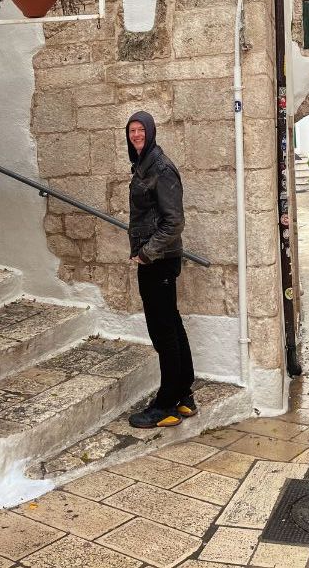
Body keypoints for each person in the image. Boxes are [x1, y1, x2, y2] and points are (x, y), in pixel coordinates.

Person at [125, 110, 196, 428]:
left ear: (151, 133)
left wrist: (146, 254)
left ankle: (166, 404)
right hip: (158, 259)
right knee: (172, 324)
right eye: (132, 130)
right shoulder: (143, 165)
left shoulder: (161, 167)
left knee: (162, 330)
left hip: (159, 260)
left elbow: (174, 221)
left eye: (141, 130)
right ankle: (183, 395)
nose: (136, 135)